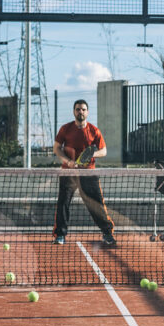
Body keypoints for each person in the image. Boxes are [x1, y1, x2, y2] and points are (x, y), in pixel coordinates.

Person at [52, 99, 116, 247]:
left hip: (88, 173)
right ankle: (60, 235)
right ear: (74, 111)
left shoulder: (94, 131)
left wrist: (92, 155)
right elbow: (56, 148)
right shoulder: (65, 129)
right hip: (68, 173)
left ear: (87, 112)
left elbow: (104, 151)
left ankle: (107, 233)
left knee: (97, 205)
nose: (80, 112)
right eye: (78, 109)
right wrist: (67, 161)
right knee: (63, 203)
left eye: (83, 109)